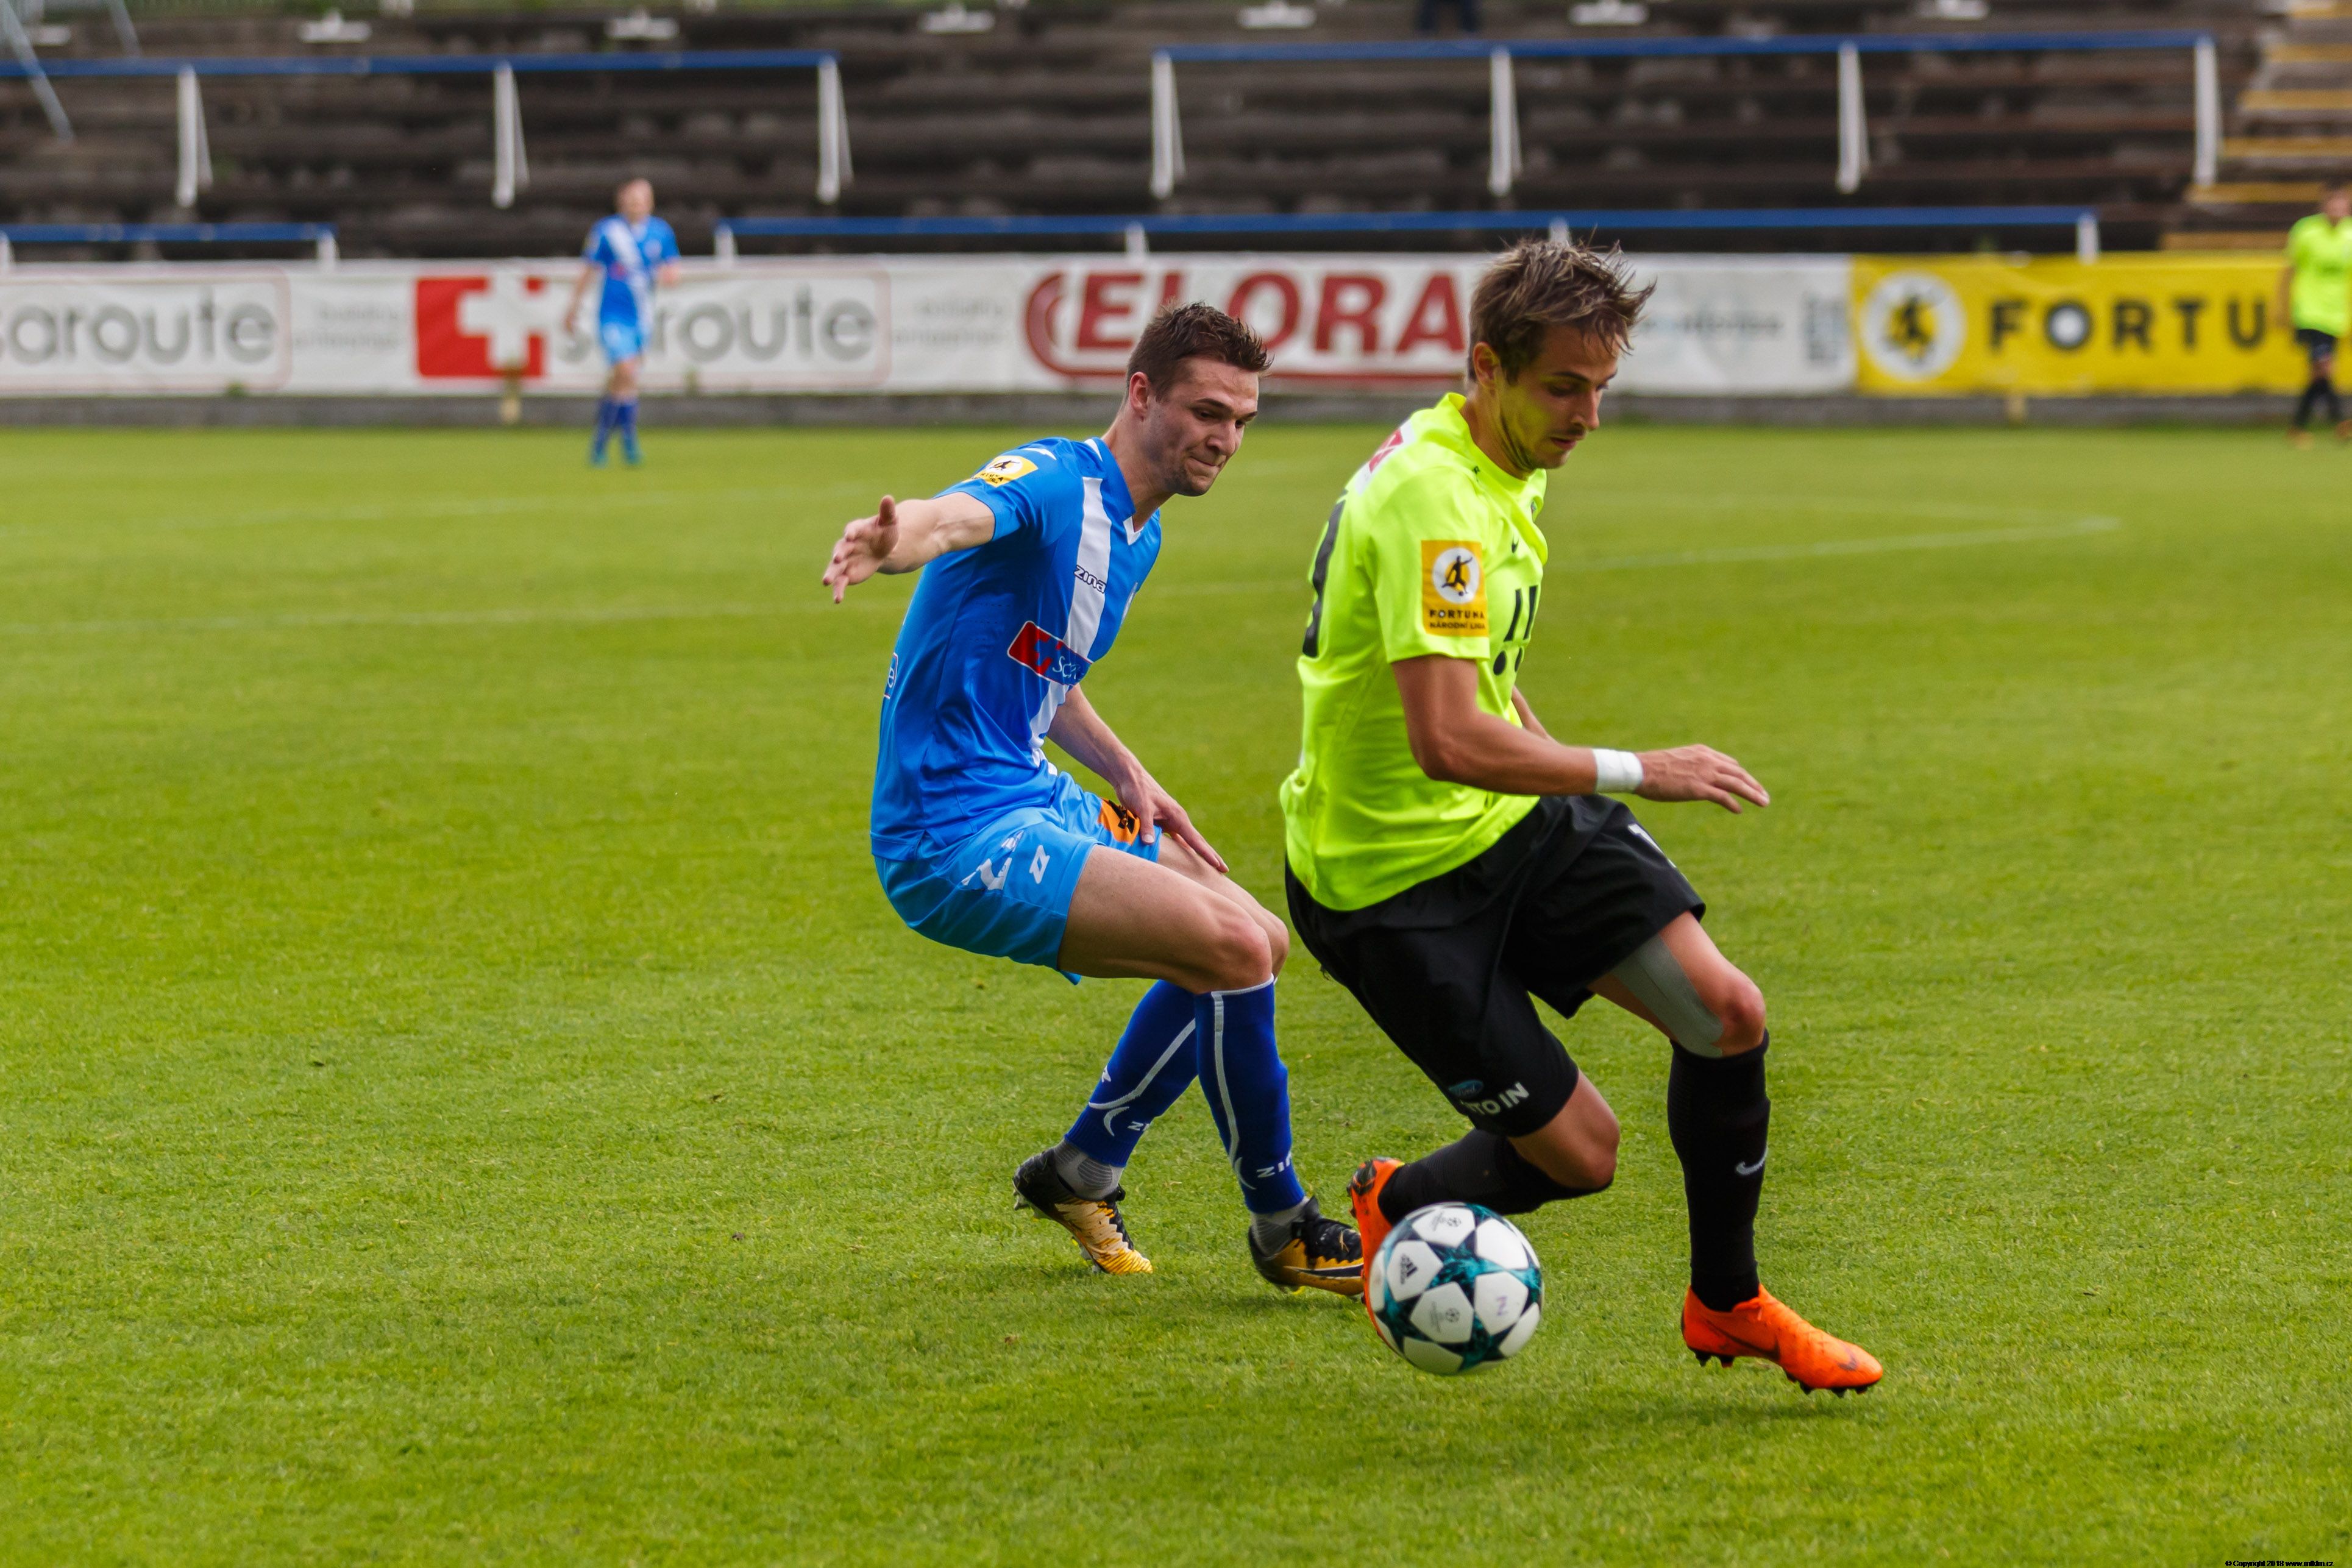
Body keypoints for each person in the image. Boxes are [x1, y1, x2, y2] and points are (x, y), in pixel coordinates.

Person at [1281, 239, 1883, 1394]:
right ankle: (1396, 1198)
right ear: (1484, 368)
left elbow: (1484, 679)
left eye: (1601, 387)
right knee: (1580, 1156)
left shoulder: (1505, 453)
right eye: (1564, 387)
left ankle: (1727, 1303)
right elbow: (1445, 739)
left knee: (1726, 1012)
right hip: (1386, 882)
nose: (1588, 416)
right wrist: (1633, 769)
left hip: (1506, 821)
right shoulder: (1434, 498)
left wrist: (1565, 779)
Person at [820, 303, 1362, 1296]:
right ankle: (1283, 1226)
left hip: (1030, 789)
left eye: (1241, 420)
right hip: (950, 831)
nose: (1225, 439)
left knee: (1257, 938)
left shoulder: (1136, 534)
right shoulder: (1051, 480)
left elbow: (1045, 666)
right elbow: (955, 518)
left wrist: (1124, 768)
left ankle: (1080, 1170)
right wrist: (897, 538)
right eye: (1207, 412)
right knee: (1233, 953)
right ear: (1140, 393)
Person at [562, 177, 680, 466]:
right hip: (613, 316)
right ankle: (626, 442)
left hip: (643, 316)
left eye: (642, 199)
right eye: (632, 199)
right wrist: (573, 307)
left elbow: (673, 267)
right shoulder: (607, 231)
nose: (636, 204)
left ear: (650, 203)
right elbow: (589, 270)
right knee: (625, 371)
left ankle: (604, 442)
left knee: (625, 382)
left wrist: (669, 276)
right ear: (621, 202)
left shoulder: (661, 232)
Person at [2279, 183, 2352, 448]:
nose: (2338, 208)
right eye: (2334, 203)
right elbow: (2289, 271)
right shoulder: (2306, 231)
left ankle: (2298, 426)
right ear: (2324, 206)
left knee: (2318, 374)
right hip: (2309, 311)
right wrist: (2282, 307)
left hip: (2336, 315)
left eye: (2343, 204)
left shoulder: (2350, 234)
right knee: (2324, 366)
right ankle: (2341, 421)